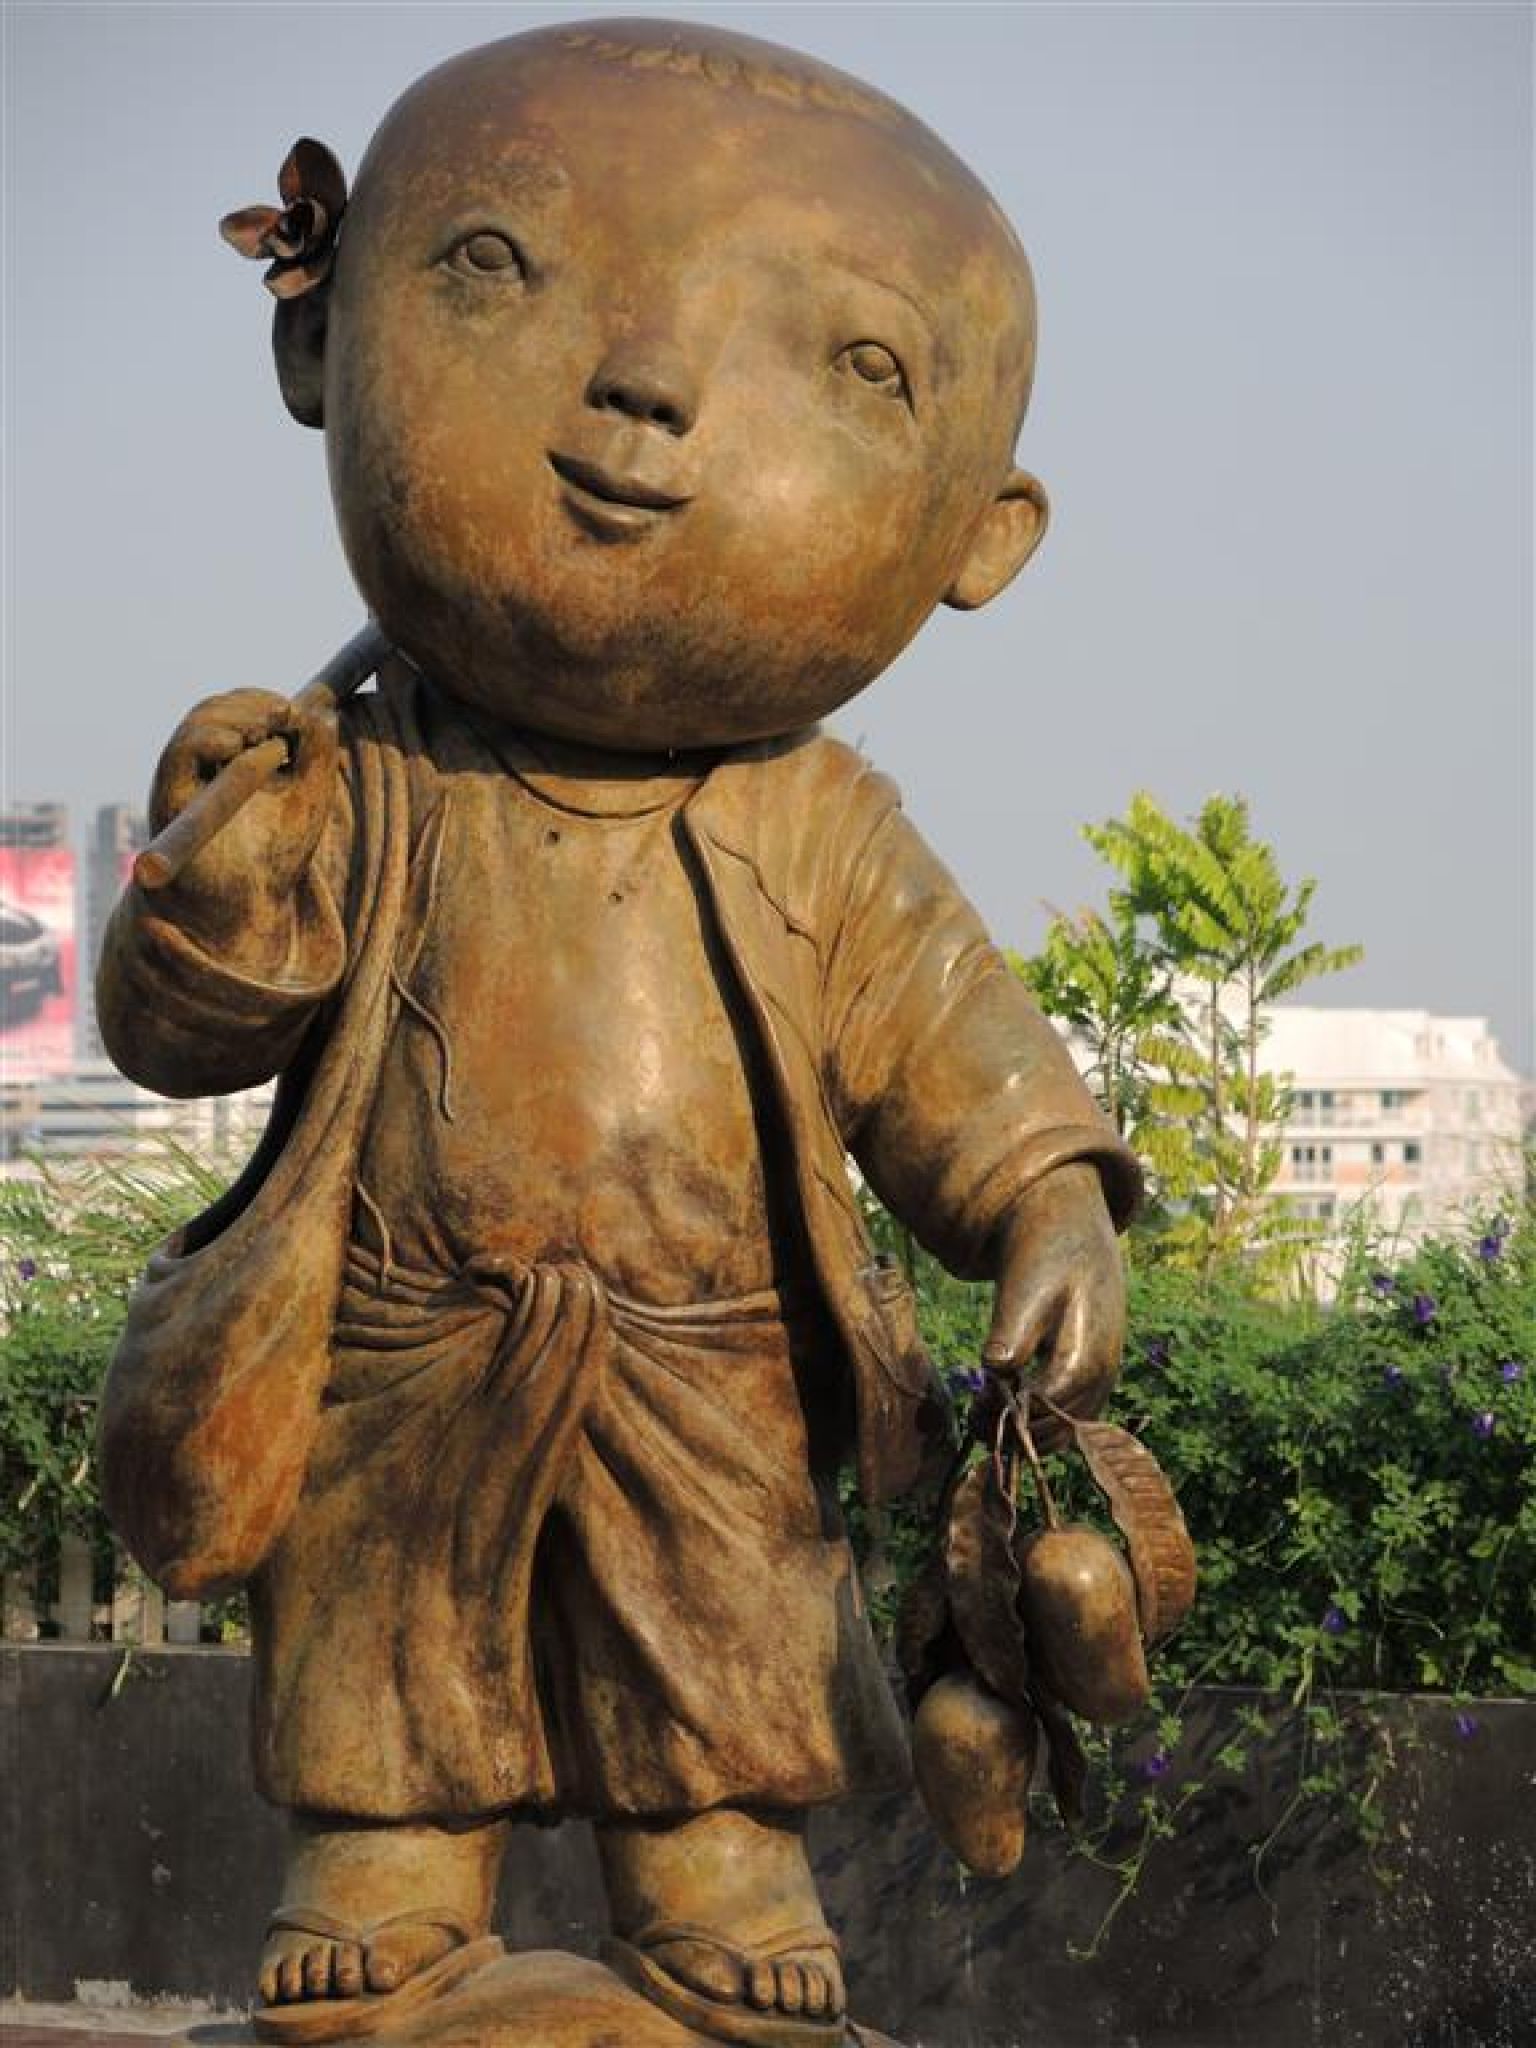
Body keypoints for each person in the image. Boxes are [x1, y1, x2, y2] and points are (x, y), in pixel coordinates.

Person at [98, 22, 1140, 2046]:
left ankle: (715, 1879)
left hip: (714, 1351)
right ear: (319, 339)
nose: (646, 383)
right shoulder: (358, 769)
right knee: (389, 1637)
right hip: (405, 1322)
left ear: (978, 536)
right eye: (501, 265)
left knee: (723, 1648)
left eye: (849, 360)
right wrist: (216, 871)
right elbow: (183, 1031)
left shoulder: (816, 823)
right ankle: (388, 1873)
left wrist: (1054, 1203)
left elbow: (952, 1036)